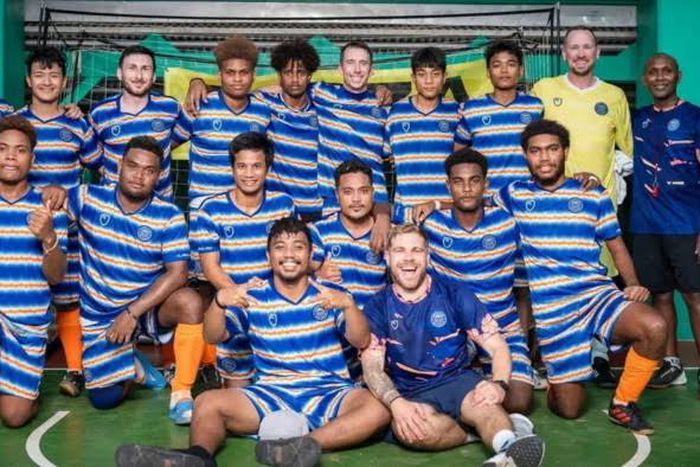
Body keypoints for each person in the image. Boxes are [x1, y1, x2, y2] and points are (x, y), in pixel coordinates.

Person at [115, 217, 391, 467]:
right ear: (269, 256)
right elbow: (212, 336)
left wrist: (349, 305)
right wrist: (219, 303)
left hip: (327, 390)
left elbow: (361, 340)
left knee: (378, 408)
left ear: (310, 255)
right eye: (280, 247)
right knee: (207, 402)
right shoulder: (251, 295)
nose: (289, 254)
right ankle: (197, 457)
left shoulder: (330, 293)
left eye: (298, 247)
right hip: (271, 392)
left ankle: (304, 446)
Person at [499, 119, 666, 432]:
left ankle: (623, 403)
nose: (544, 157)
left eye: (552, 149)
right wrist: (435, 203)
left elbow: (616, 246)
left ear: (565, 151)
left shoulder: (592, 193)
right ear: (525, 155)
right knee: (569, 409)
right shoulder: (514, 194)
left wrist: (633, 285)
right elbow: (473, 205)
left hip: (595, 294)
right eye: (535, 151)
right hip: (554, 311)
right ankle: (560, 380)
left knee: (654, 326)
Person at [46, 136, 205, 425]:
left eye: (149, 170)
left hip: (146, 309)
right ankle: (135, 368)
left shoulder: (169, 215)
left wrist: (132, 313)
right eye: (133, 166)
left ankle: (182, 393)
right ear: (120, 166)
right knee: (104, 399)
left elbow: (178, 273)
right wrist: (54, 190)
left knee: (190, 302)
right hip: (101, 317)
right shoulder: (87, 198)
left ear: (158, 176)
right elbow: (51, 203)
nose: (139, 175)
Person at [361, 224, 545, 466]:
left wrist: (499, 384)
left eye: (416, 250)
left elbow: (498, 347)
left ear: (427, 256)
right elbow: (372, 368)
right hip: (410, 391)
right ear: (387, 257)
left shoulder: (454, 294)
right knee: (411, 431)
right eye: (399, 250)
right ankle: (478, 433)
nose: (408, 258)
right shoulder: (377, 306)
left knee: (486, 404)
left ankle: (508, 450)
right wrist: (396, 403)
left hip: (457, 381)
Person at [531, 25, 634, 385]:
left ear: (597, 52)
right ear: (563, 53)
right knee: (554, 280)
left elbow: (625, 152)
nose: (580, 53)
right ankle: (552, 356)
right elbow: (528, 140)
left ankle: (599, 357)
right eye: (573, 47)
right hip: (551, 211)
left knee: (597, 280)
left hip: (595, 211)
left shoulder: (614, 96)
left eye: (586, 47)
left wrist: (611, 186)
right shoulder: (544, 90)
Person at [420, 148, 535, 413]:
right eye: (458, 182)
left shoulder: (507, 223)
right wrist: (435, 205)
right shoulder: (431, 224)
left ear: (486, 184)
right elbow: (381, 213)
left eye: (474, 181)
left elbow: (522, 291)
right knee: (434, 395)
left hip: (502, 325)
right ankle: (474, 376)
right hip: (453, 329)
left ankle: (486, 375)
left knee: (519, 402)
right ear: (448, 186)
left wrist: (524, 339)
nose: (467, 188)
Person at [16, 46, 101, 397]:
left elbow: (99, 164)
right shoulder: (15, 124)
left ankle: (75, 370)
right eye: (40, 75)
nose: (47, 81)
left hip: (67, 230)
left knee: (68, 299)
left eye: (54, 75)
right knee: (20, 294)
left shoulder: (76, 123)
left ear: (64, 82)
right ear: (28, 80)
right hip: (20, 228)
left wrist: (74, 201)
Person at [191, 132, 295, 383]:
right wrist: (240, 295)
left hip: (276, 306)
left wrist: (270, 299)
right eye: (242, 166)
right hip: (234, 306)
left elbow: (293, 256)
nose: (249, 174)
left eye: (256, 166)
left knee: (280, 388)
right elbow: (210, 267)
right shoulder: (210, 210)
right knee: (238, 399)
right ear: (232, 168)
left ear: (268, 168)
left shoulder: (284, 205)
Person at [188, 39, 322, 221]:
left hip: (313, 205)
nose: (295, 79)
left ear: (310, 76)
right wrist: (197, 83)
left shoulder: (322, 107)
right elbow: (232, 92)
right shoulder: (266, 102)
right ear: (279, 75)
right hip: (276, 206)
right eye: (288, 73)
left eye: (301, 73)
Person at [631, 53, 700, 390]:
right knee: (660, 295)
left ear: (678, 76)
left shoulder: (695, 117)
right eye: (653, 72)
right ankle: (672, 365)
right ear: (645, 78)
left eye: (666, 71)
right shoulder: (638, 119)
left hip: (686, 226)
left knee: (695, 298)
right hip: (646, 226)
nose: (660, 77)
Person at [0, 115, 68, 427]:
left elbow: (56, 277)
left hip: (25, 326)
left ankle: (24, 392)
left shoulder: (50, 207)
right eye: (2, 148)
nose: (10, 156)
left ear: (32, 158)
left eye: (20, 150)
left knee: (15, 417)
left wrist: (49, 238)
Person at [310, 160, 388, 378]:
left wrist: (384, 217)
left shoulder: (386, 232)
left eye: (363, 191)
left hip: (375, 328)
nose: (356, 199)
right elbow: (300, 272)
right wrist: (316, 271)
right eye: (348, 192)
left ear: (373, 193)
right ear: (337, 195)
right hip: (333, 329)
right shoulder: (320, 230)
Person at [174, 35, 270, 200]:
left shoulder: (263, 110)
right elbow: (166, 145)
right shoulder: (199, 105)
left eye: (244, 72)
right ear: (220, 75)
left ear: (253, 75)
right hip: (203, 205)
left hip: (245, 206)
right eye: (230, 72)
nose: (237, 79)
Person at [89, 45, 185, 200]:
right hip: (112, 205)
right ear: (120, 73)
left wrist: (197, 82)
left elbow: (181, 135)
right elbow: (90, 155)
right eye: (132, 68)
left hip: (159, 205)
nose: (139, 76)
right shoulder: (99, 113)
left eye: (145, 68)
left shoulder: (170, 107)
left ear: (154, 76)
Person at [455, 40, 543, 195]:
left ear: (520, 70)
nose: (504, 70)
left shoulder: (535, 107)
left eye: (511, 64)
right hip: (485, 199)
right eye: (497, 65)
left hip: (526, 197)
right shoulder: (471, 109)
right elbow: (458, 154)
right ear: (488, 72)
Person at [385, 46, 460, 223]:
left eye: (435, 74)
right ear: (413, 78)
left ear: (444, 77)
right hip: (406, 214)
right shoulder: (395, 113)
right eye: (421, 74)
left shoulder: (457, 112)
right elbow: (383, 155)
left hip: (445, 213)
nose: (428, 81)